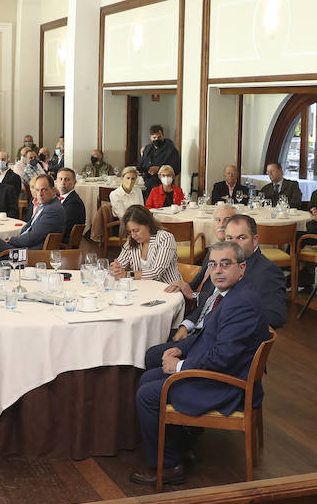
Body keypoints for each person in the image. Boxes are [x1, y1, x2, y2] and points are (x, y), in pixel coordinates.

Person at [131, 240, 271, 486]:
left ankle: (169, 467)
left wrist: (180, 366)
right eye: (213, 264)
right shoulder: (231, 293)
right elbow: (208, 336)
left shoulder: (242, 303)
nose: (217, 270)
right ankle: (179, 449)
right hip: (222, 370)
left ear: (242, 268)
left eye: (225, 264)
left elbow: (223, 357)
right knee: (148, 378)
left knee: (148, 395)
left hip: (228, 385)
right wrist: (180, 349)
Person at [153, 213, 286, 368]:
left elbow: (276, 317)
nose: (234, 244)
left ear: (255, 240)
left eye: (241, 238)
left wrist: (228, 323)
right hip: (199, 330)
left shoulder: (266, 271)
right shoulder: (219, 262)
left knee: (152, 357)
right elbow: (209, 299)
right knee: (152, 338)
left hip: (222, 342)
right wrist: (186, 325)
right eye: (229, 238)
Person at [111, 205, 181, 284]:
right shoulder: (132, 241)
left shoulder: (165, 238)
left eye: (136, 230)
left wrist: (127, 274)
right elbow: (120, 265)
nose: (133, 236)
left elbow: (155, 273)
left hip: (169, 290)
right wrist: (115, 268)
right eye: (129, 232)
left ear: (148, 224)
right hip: (142, 289)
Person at [5, 174, 65, 251]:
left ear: (53, 191)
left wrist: (11, 240)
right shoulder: (46, 205)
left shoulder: (52, 210)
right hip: (25, 246)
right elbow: (29, 226)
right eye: (37, 190)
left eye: (44, 190)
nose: (39, 194)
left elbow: (32, 238)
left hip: (30, 253)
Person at [136, 124, 181, 193]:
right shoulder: (147, 149)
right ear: (150, 138)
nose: (157, 139)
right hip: (147, 185)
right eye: (154, 138)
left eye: (159, 137)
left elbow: (176, 168)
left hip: (164, 185)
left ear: (163, 136)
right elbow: (141, 164)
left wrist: (159, 169)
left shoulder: (171, 150)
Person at [53, 168, 85, 242]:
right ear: (56, 182)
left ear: (74, 183)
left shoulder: (74, 202)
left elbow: (63, 226)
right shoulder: (61, 198)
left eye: (67, 179)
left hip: (61, 241)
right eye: (60, 179)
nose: (63, 182)